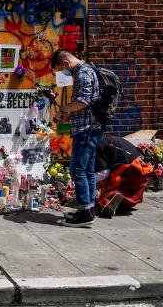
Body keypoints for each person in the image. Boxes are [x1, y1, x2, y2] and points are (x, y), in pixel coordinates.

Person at [52, 49, 101, 227]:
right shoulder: (86, 71)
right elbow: (82, 106)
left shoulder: (84, 73)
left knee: (77, 170)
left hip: (87, 129)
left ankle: (86, 212)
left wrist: (64, 109)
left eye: (61, 69)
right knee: (87, 170)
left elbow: (84, 101)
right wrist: (68, 114)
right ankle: (87, 209)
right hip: (87, 127)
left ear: (65, 63)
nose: (63, 73)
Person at [94, 135, 153, 218]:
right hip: (141, 168)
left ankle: (109, 202)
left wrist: (84, 180)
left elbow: (103, 173)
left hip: (128, 170)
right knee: (130, 194)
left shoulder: (98, 144)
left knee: (109, 191)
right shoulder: (109, 139)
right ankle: (119, 203)